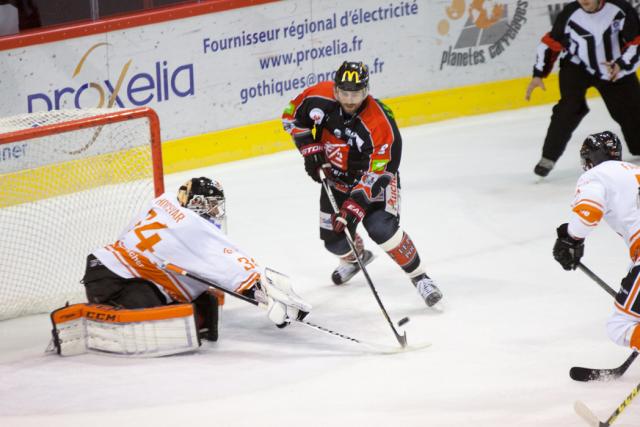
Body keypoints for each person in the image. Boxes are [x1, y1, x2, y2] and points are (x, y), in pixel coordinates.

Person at [51, 177, 311, 356]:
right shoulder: (192, 226)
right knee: (163, 321)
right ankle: (85, 314)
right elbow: (227, 261)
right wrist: (262, 289)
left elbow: (126, 236)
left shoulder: (161, 207)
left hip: (105, 266)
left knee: (203, 303)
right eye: (209, 204)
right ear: (193, 202)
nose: (214, 211)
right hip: (116, 281)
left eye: (216, 205)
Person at [281, 61, 443, 307]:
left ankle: (420, 277)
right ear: (335, 89)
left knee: (380, 227)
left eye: (355, 94)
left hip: (375, 181)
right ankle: (355, 257)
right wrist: (311, 152)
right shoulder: (317, 97)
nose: (348, 99)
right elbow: (292, 117)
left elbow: (382, 168)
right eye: (343, 92)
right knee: (334, 241)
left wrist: (356, 204)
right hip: (335, 179)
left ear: (366, 91)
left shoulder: (378, 122)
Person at [525, 0, 640, 177]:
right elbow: (551, 43)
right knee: (568, 108)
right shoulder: (570, 13)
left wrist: (622, 64)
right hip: (577, 66)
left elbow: (636, 41)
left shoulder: (621, 9)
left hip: (613, 68)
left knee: (631, 111)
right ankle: (548, 157)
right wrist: (538, 73)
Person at [552, 131, 640, 351]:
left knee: (620, 326)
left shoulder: (597, 176)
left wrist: (571, 239)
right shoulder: (635, 171)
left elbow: (589, 213)